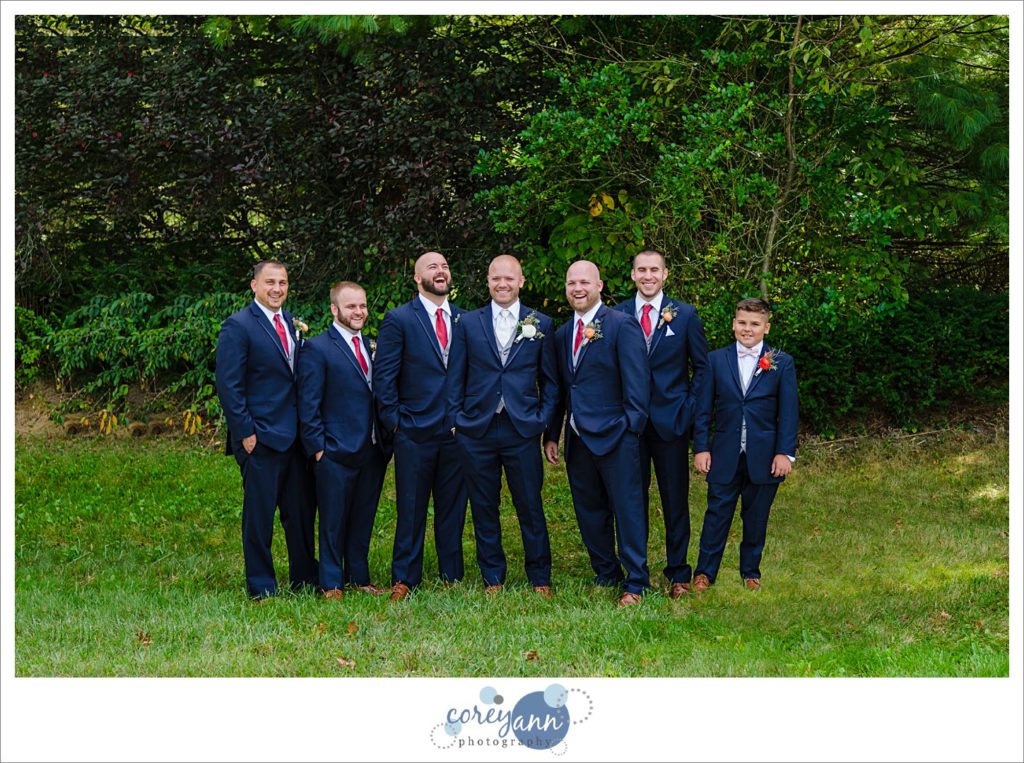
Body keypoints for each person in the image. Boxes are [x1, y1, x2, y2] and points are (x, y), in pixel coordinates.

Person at [446, 255, 558, 597]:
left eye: (509, 278)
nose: (502, 284)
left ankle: (540, 576)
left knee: (530, 505)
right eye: (496, 278)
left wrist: (542, 421)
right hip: (476, 428)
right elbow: (456, 376)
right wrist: (455, 421)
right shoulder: (468, 323)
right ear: (488, 281)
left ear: (521, 281)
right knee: (483, 506)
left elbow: (551, 382)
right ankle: (492, 576)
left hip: (522, 428)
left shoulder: (540, 323)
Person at [543, 260, 651, 607]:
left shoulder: (621, 326)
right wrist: (552, 434)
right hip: (578, 438)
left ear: (599, 285)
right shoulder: (561, 335)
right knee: (588, 509)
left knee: (627, 508)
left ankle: (636, 582)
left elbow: (638, 384)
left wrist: (630, 428)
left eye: (584, 282)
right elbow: (561, 388)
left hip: (617, 435)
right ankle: (606, 572)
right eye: (572, 282)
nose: (578, 288)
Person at [215, 260, 317, 600]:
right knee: (259, 517)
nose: (277, 288)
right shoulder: (239, 326)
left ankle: (304, 579)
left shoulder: (291, 323)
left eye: (283, 282)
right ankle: (261, 585)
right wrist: (245, 432)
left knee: (300, 513)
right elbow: (229, 385)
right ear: (254, 285)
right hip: (259, 437)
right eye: (270, 282)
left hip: (294, 437)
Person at [374, 251, 469, 601]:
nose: (441, 271)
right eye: (433, 267)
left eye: (445, 266)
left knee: (453, 508)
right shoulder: (399, 319)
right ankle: (405, 577)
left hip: (456, 432)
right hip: (413, 431)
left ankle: (451, 574)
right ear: (417, 278)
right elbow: (384, 378)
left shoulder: (464, 320)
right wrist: (396, 424)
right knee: (410, 507)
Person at [613, 250, 708, 598]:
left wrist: (689, 408)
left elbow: (702, 368)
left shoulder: (685, 316)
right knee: (630, 500)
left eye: (655, 270)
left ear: (665, 274)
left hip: (671, 422)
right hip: (630, 426)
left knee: (674, 500)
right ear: (633, 275)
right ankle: (635, 578)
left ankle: (678, 573)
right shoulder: (616, 315)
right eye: (642, 270)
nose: (648, 275)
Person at [692, 297, 798, 591]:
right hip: (724, 452)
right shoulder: (716, 360)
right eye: (742, 323)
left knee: (756, 515)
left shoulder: (781, 362)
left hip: (764, 455)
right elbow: (703, 409)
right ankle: (704, 572)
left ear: (766, 327)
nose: (747, 329)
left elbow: (788, 413)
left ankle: (750, 571)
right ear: (733, 324)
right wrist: (701, 448)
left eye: (754, 324)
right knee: (716, 514)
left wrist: (784, 453)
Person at [297, 281, 391, 600]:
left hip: (372, 449)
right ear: (334, 309)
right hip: (334, 451)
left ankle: (359, 577)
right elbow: (308, 404)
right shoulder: (318, 348)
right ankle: (331, 582)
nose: (359, 311)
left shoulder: (371, 345)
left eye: (362, 305)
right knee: (333, 520)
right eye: (351, 306)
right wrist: (318, 448)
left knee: (363, 516)